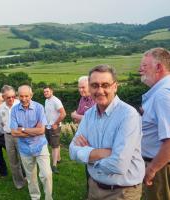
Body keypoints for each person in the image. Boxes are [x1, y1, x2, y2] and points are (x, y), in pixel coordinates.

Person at [69, 65, 145, 200]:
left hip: (122, 193)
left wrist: (88, 156)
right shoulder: (89, 115)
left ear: (115, 86)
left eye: (105, 85)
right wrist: (103, 153)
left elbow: (118, 165)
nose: (100, 90)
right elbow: (72, 150)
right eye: (94, 85)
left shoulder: (128, 116)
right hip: (94, 187)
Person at [11, 85, 52, 200]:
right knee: (31, 176)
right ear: (17, 96)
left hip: (40, 145)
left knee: (47, 175)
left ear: (31, 95)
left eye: (26, 96)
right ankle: (35, 197)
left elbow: (41, 130)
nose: (23, 99)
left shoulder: (39, 108)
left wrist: (22, 129)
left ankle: (49, 198)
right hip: (24, 148)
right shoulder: (14, 110)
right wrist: (34, 131)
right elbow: (14, 132)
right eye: (21, 96)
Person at [139, 47, 170, 200]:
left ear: (158, 67)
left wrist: (151, 170)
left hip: (160, 169)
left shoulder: (162, 95)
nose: (140, 70)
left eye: (144, 66)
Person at [0, 85, 26, 189]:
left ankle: (30, 179)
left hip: (20, 136)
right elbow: (0, 122)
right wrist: (7, 131)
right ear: (3, 97)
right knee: (13, 161)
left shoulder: (20, 104)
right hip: (8, 137)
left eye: (13, 96)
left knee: (25, 159)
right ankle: (19, 183)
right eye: (8, 97)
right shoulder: (0, 108)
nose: (11, 99)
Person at [43, 86, 66, 174]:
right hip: (48, 126)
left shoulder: (56, 101)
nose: (46, 93)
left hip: (54, 127)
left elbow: (63, 113)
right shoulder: (46, 100)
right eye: (44, 92)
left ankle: (54, 165)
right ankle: (59, 158)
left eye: (47, 91)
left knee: (54, 146)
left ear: (51, 91)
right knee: (54, 144)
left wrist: (56, 124)